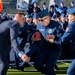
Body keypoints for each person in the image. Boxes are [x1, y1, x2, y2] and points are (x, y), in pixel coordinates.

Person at [27, 10, 63, 75]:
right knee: (37, 65)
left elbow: (62, 39)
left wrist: (54, 40)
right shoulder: (39, 26)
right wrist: (34, 39)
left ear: (48, 17)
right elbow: (36, 39)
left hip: (55, 50)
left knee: (49, 66)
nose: (41, 22)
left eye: (42, 20)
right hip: (44, 49)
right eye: (40, 20)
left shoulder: (57, 25)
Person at [46, 7, 75, 75]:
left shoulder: (72, 26)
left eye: (69, 15)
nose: (68, 17)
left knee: (70, 72)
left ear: (73, 17)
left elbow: (63, 40)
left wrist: (54, 40)